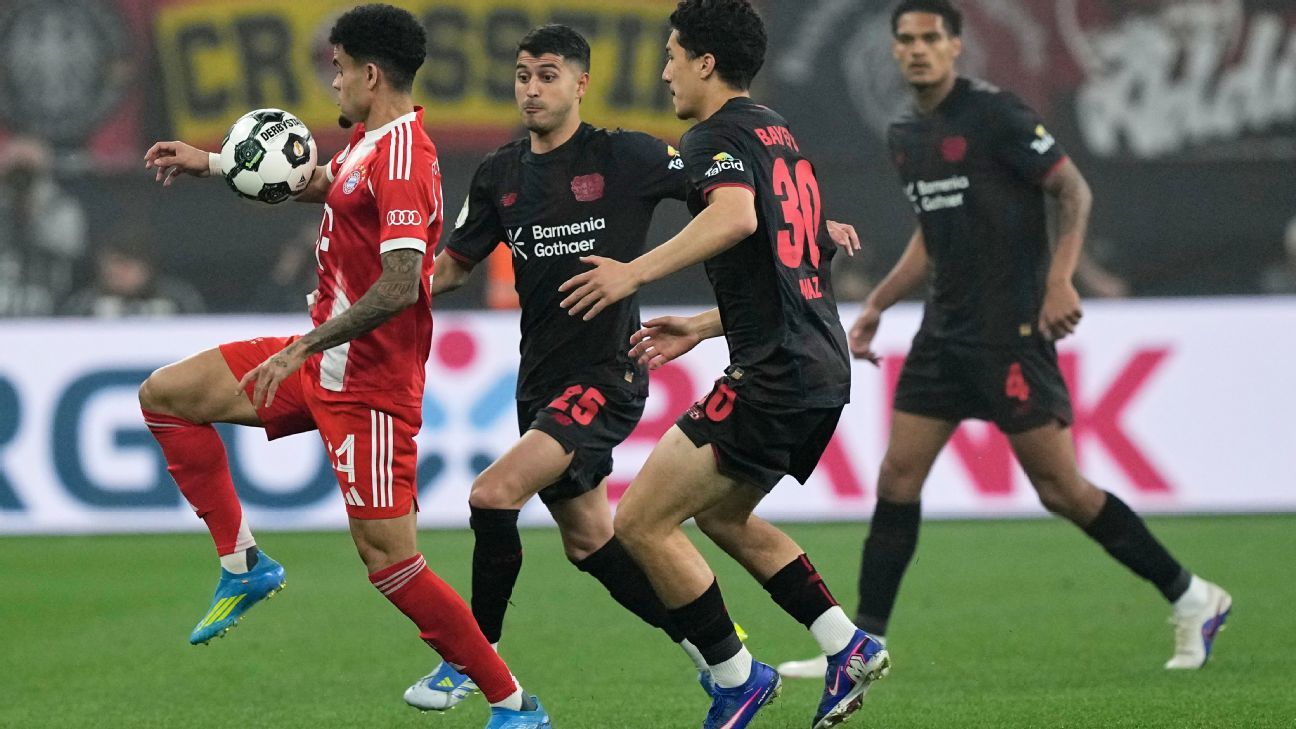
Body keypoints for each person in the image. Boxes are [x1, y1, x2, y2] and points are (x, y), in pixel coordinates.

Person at [776, 0, 1230, 682]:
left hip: (1010, 334)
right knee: (897, 478)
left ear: (956, 45)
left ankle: (1193, 596)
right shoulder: (906, 134)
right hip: (943, 334)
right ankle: (862, 645)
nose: (918, 49)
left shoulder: (997, 115)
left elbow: (1072, 192)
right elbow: (932, 233)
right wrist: (877, 303)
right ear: (893, 49)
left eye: (931, 37)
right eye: (906, 39)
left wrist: (1061, 280)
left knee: (1061, 489)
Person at [137, 6, 549, 727]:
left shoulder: (405, 159)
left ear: (370, 73)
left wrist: (303, 346)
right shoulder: (368, 144)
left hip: (369, 390)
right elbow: (325, 182)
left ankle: (515, 705)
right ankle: (243, 565)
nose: (332, 82)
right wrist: (213, 163)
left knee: (391, 563)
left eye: (338, 68)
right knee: (166, 395)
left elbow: (401, 283)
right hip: (324, 363)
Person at [558, 2, 889, 728]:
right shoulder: (774, 130)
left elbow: (735, 218)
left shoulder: (713, 136)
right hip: (817, 362)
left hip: (777, 371)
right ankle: (848, 643)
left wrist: (632, 272)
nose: (665, 70)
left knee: (640, 522)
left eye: (673, 54)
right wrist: (707, 326)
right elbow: (793, 256)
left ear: (705, 62)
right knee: (721, 514)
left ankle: (739, 680)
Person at [400, 23, 703, 711]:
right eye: (522, 76)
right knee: (590, 542)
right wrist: (387, 292)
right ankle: (719, 651)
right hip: (538, 381)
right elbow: (454, 266)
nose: (531, 89)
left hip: (607, 375)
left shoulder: (625, 155)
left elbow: (726, 198)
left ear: (580, 83)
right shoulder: (501, 173)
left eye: (547, 75)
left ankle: (472, 659)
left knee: (492, 494)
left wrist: (807, 227)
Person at [0, 136, 86, 316]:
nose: (22, 174)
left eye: (29, 167)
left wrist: (35, 212)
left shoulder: (61, 205)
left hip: (46, 292)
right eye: (17, 165)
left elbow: (71, 247)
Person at [63, 234, 205, 317]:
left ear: (146, 267)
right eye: (108, 265)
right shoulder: (84, 304)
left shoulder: (180, 300)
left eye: (123, 264)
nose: (114, 272)